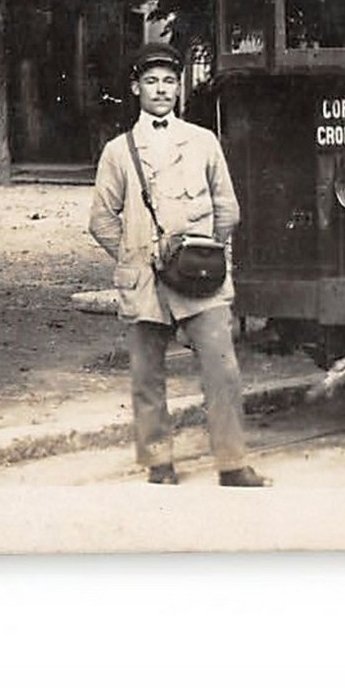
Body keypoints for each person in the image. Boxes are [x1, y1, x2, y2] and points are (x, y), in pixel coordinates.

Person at [88, 42, 270, 487]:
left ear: (179, 88)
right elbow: (100, 219)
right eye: (151, 81)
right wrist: (134, 256)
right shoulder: (119, 150)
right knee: (147, 374)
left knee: (222, 369)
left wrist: (203, 254)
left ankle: (232, 464)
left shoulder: (203, 142)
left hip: (200, 281)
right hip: (146, 283)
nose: (161, 89)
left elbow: (228, 208)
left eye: (169, 81)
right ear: (136, 88)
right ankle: (159, 463)